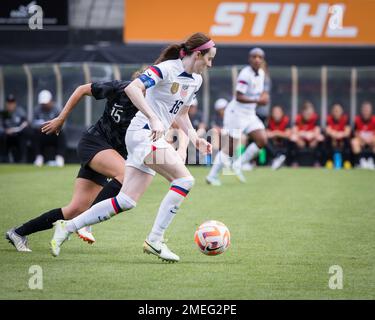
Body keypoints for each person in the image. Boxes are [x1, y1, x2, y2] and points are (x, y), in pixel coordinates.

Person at [50, 32, 215, 262]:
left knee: (126, 201)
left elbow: (182, 113)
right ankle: (155, 240)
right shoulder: (166, 69)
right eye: (209, 58)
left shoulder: (196, 80)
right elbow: (132, 89)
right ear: (198, 54)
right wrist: (153, 117)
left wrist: (196, 139)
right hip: (142, 134)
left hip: (149, 137)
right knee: (185, 180)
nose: (210, 63)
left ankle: (67, 227)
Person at [5, 79, 138, 252]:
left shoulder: (154, 104)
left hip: (110, 154)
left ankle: (18, 232)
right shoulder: (119, 88)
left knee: (75, 209)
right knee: (126, 175)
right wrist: (61, 118)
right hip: (94, 143)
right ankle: (86, 224)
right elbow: (82, 89)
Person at [206, 47, 269, 185]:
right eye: (254, 57)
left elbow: (262, 91)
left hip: (250, 113)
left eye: (260, 57)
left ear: (262, 60)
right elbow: (239, 96)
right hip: (236, 113)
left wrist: (264, 96)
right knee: (230, 147)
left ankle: (238, 164)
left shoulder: (261, 73)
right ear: (249, 59)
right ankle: (212, 176)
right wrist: (259, 101)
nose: (257, 59)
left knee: (262, 140)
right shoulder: (245, 74)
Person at [32, 90, 66, 167]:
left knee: (62, 133)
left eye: (46, 103)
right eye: (43, 104)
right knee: (34, 133)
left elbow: (62, 124)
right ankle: (39, 157)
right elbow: (33, 123)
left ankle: (60, 157)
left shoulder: (57, 109)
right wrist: (42, 126)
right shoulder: (37, 110)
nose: (44, 105)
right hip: (42, 134)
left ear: (50, 101)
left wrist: (53, 126)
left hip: (55, 134)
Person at [290, 101, 324, 167]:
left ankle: (317, 161)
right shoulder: (298, 118)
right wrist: (300, 138)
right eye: (307, 113)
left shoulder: (316, 118)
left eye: (310, 113)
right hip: (301, 140)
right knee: (293, 138)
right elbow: (294, 131)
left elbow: (317, 132)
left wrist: (313, 138)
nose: (309, 115)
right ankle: (295, 161)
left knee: (320, 138)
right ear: (303, 112)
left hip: (312, 140)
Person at [0, 94, 32, 163]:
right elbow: (1, 126)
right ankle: (4, 158)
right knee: (2, 136)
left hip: (18, 135)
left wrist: (24, 125)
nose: (10, 104)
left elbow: (26, 122)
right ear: (6, 104)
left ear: (15, 103)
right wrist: (5, 131)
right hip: (7, 136)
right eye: (9, 103)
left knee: (24, 135)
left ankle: (23, 159)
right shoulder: (4, 113)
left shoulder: (20, 112)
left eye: (12, 102)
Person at [325, 103, 352, 169]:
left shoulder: (345, 119)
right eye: (335, 111)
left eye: (338, 111)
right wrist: (335, 135)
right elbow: (328, 131)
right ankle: (329, 161)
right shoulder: (329, 119)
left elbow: (347, 132)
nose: (336, 112)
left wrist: (339, 135)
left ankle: (347, 161)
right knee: (328, 140)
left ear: (341, 111)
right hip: (332, 139)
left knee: (347, 140)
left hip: (342, 140)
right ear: (332, 112)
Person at [351, 101, 375, 169]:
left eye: (367, 110)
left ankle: (372, 162)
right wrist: (362, 140)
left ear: (370, 110)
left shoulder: (374, 120)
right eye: (364, 110)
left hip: (372, 140)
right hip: (361, 140)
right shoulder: (357, 120)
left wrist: (371, 139)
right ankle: (359, 163)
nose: (366, 111)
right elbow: (355, 132)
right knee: (354, 142)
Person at [266, 105, 291, 170]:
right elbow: (267, 134)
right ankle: (277, 158)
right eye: (275, 112)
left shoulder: (286, 120)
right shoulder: (269, 121)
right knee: (265, 140)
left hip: (283, 144)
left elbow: (288, 134)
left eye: (278, 112)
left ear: (282, 113)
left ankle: (288, 161)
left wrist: (276, 133)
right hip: (273, 144)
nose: (276, 114)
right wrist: (276, 134)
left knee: (291, 139)